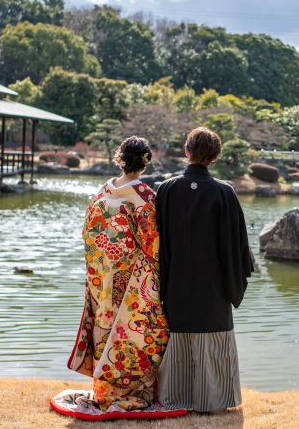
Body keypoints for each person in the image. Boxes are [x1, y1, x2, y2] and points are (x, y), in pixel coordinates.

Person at [155, 127, 254, 414]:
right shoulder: (224, 192)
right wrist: (238, 275)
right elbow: (238, 246)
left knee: (178, 339)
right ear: (216, 156)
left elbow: (157, 240)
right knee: (213, 339)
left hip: (175, 284)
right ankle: (212, 401)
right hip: (214, 286)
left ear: (187, 152)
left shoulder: (167, 189)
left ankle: (175, 398)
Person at [67, 136, 170, 412]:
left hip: (105, 277)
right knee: (145, 331)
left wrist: (101, 266)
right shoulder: (145, 197)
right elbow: (154, 246)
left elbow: (89, 232)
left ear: (120, 160)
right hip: (133, 280)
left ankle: (104, 390)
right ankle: (137, 391)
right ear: (145, 164)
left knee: (106, 328)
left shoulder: (104, 192)